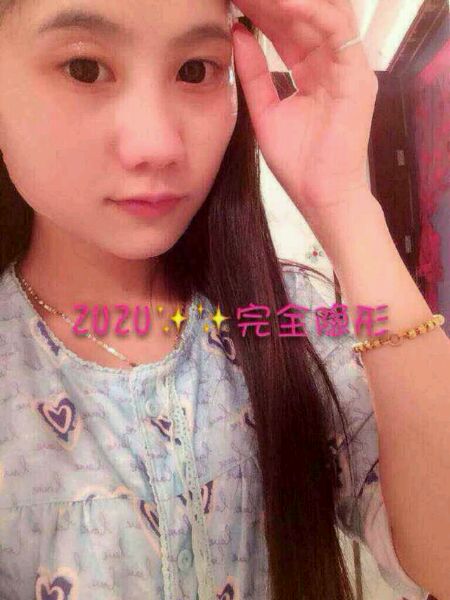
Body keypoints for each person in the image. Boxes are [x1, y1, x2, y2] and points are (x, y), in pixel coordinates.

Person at [0, 1, 448, 599]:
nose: (157, 145)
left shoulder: (289, 320)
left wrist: (344, 204)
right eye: (85, 68)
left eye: (196, 70)